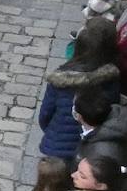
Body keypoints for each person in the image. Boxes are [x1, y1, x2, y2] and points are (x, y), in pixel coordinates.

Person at [38, 18, 120, 162]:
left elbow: (45, 114)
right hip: (92, 150)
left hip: (58, 146)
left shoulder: (60, 79)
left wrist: (53, 131)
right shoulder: (110, 78)